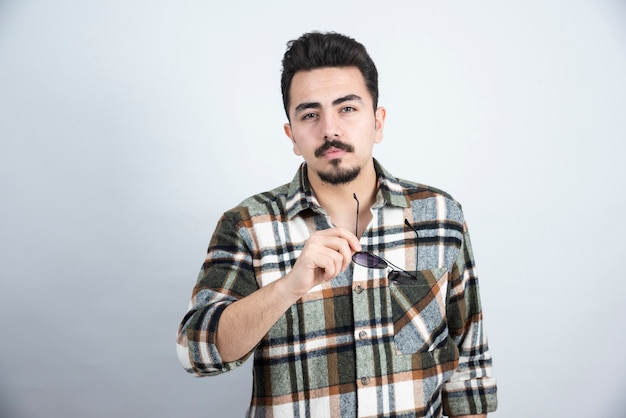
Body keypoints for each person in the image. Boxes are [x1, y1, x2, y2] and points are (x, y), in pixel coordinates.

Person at [176, 31, 498, 417]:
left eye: (347, 109)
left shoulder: (440, 216)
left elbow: (469, 366)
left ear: (378, 122)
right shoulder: (247, 225)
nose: (330, 129)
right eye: (310, 114)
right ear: (291, 135)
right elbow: (196, 353)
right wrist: (289, 286)